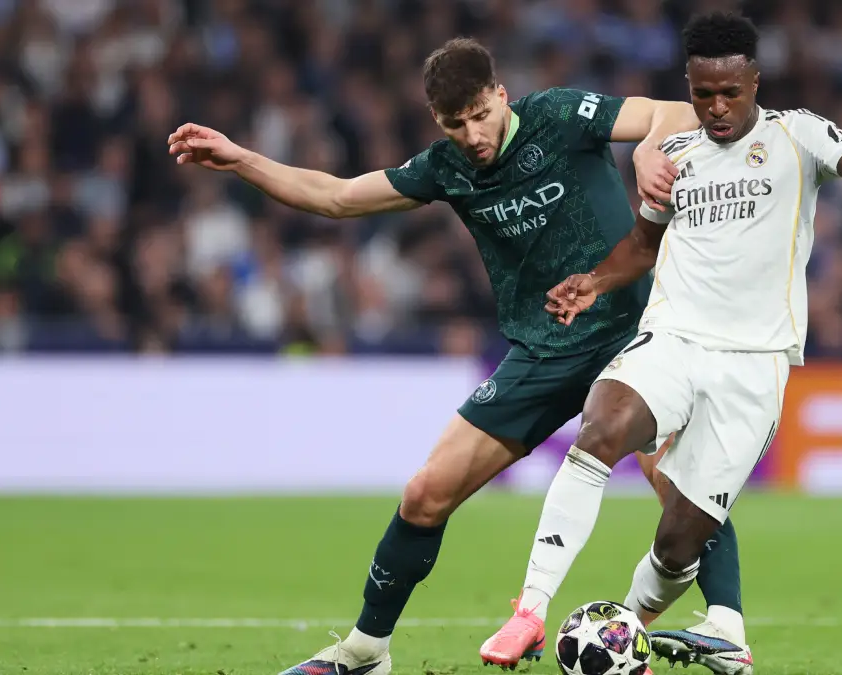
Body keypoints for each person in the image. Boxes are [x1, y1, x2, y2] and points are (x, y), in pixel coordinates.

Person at [166, 37, 749, 675]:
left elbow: (677, 112)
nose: (472, 134)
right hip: (544, 353)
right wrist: (241, 158)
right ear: (438, 122)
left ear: (500, 96)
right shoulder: (446, 168)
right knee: (424, 495)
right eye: (455, 123)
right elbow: (334, 197)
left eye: (480, 114)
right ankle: (365, 653)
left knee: (683, 489)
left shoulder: (559, 114)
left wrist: (645, 153)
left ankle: (726, 632)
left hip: (635, 335)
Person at [516, 11, 842, 674]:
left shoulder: (799, 134)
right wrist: (593, 281)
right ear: (689, 86)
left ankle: (638, 629)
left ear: (755, 80)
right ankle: (528, 606)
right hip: (671, 339)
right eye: (703, 93)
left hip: (754, 365)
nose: (718, 106)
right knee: (603, 425)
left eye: (731, 91)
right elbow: (642, 247)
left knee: (678, 544)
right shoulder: (675, 157)